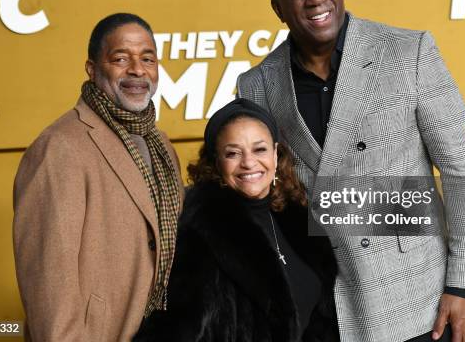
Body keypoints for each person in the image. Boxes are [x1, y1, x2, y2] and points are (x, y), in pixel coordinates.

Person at [237, 0, 465, 342]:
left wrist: (463, 285)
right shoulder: (257, 84)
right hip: (319, 306)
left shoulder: (408, 53)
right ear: (278, 9)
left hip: (414, 300)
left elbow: (461, 172)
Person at [13, 13, 183, 341]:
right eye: (121, 58)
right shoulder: (60, 147)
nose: (137, 70)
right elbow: (50, 284)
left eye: (147, 58)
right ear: (92, 69)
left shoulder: (161, 144)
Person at [134, 98, 339, 341]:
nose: (249, 162)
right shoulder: (200, 231)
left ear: (275, 154)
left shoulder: (297, 217)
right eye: (233, 153)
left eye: (259, 149)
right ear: (216, 162)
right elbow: (173, 327)